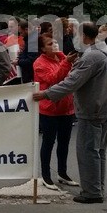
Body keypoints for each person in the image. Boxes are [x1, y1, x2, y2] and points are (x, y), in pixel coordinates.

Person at [33, 22, 107, 204]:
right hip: (106, 106)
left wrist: (45, 94)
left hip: (93, 108)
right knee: (98, 151)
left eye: (75, 35)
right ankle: (97, 187)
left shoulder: (91, 56)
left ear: (84, 37)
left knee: (88, 151)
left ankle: (91, 192)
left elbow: (71, 83)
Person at [33, 33, 77, 190]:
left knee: (64, 143)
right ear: (43, 48)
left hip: (66, 108)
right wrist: (67, 62)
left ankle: (62, 173)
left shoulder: (61, 56)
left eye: (55, 42)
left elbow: (71, 77)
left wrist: (67, 61)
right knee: (48, 142)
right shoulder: (39, 63)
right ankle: (45, 175)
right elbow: (54, 79)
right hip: (50, 109)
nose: (55, 45)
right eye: (50, 44)